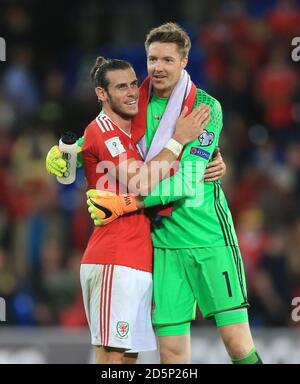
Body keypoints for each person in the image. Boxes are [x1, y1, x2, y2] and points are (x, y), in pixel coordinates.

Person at [84, 23, 263, 365]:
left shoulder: (204, 108)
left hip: (209, 237)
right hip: (164, 245)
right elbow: (104, 133)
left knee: (238, 344)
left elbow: (189, 180)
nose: (158, 67)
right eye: (152, 59)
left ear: (184, 61)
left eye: (167, 59)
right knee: (171, 353)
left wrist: (129, 202)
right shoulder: (135, 103)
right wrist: (71, 151)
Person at [59, 55, 210, 364]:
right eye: (120, 87)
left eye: (132, 85)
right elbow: (142, 182)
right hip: (114, 259)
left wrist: (211, 162)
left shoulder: (134, 135)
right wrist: (179, 139)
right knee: (112, 362)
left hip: (136, 261)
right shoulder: (104, 131)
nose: (130, 93)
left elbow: (163, 175)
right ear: (101, 94)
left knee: (127, 363)